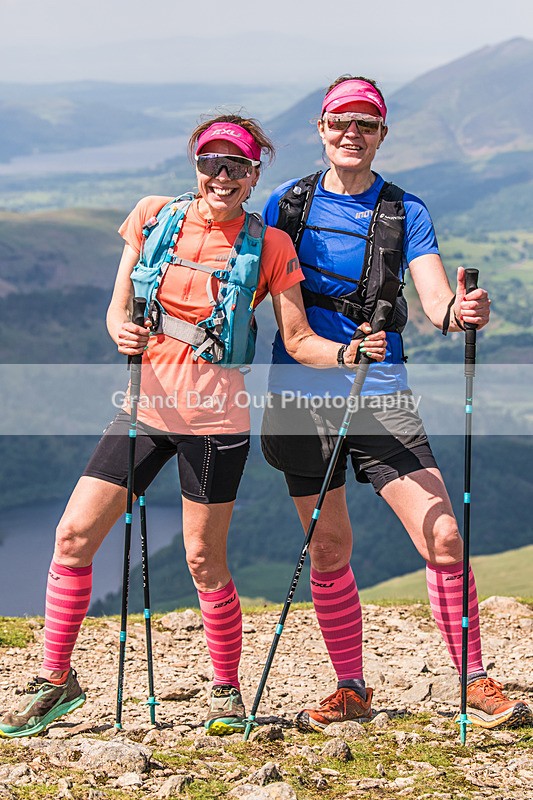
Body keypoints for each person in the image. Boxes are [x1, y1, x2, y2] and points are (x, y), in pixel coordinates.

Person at [0, 114, 387, 740]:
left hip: (215, 423)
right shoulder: (153, 216)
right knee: (72, 535)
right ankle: (54, 679)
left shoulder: (271, 246)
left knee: (204, 559)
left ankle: (226, 690)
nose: (223, 175)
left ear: (254, 173)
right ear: (195, 166)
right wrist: (118, 329)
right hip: (142, 409)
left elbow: (296, 338)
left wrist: (347, 356)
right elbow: (118, 307)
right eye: (212, 161)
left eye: (236, 165)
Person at [261, 76, 533, 732]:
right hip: (300, 396)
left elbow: (434, 295)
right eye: (339, 122)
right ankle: (350, 688)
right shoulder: (282, 206)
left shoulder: (404, 211)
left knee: (441, 533)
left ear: (382, 134)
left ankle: (471, 679)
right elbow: (259, 289)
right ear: (320, 129)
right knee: (327, 548)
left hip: (379, 395)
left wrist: (459, 313)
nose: (351, 134)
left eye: (366, 124)